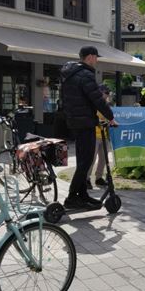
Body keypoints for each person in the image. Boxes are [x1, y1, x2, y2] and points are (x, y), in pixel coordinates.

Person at [60, 46, 117, 210]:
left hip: (75, 122)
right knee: (85, 162)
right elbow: (97, 100)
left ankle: (82, 195)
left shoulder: (70, 74)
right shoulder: (86, 75)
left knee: (82, 160)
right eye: (96, 57)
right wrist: (111, 117)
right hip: (85, 123)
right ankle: (72, 197)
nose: (97, 60)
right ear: (90, 57)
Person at [86, 84, 112, 189]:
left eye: (107, 93)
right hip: (94, 135)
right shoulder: (93, 104)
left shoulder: (107, 106)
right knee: (91, 159)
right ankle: (86, 179)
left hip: (104, 135)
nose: (106, 95)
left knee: (103, 158)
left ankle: (99, 178)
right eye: (105, 93)